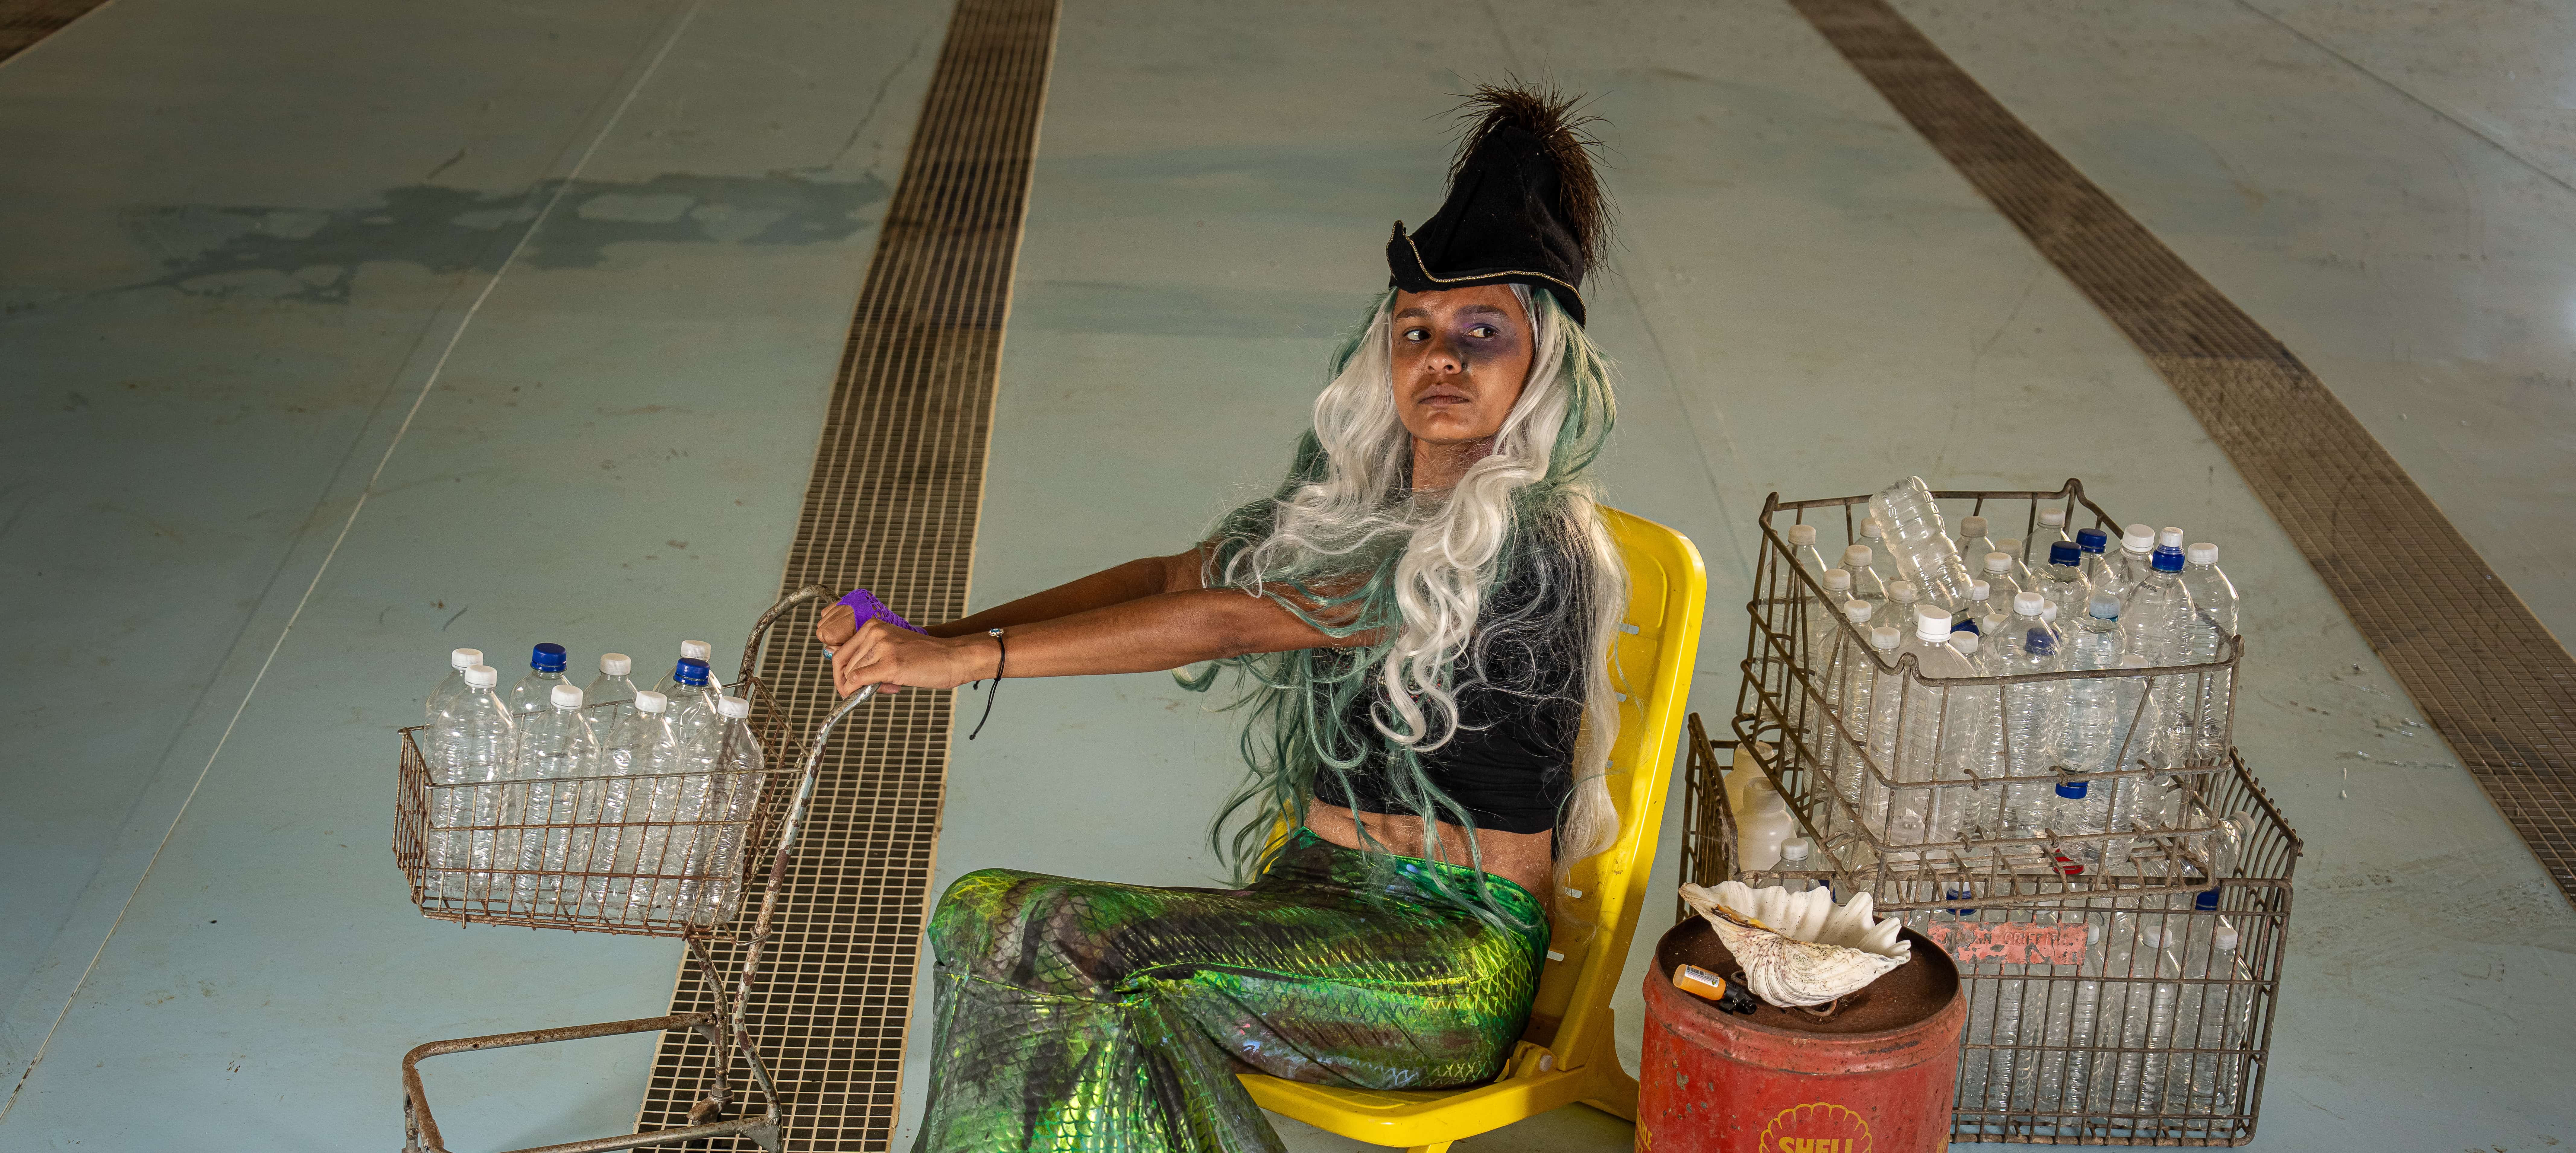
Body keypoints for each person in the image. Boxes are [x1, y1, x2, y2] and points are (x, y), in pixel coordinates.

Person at [816, 84, 1630, 1153]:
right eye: (1414, 332)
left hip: (1438, 967)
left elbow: (1237, 623)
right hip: (1313, 905)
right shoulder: (1354, 512)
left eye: (1483, 334)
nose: (1440, 359)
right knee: (983, 915)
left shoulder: (1529, 536)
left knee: (1056, 936)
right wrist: (932, 632)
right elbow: (1168, 581)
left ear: (1542, 366)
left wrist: (971, 659)